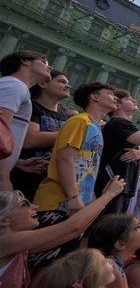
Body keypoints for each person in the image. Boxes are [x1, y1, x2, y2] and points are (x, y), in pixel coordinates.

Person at [0, 177, 124, 288]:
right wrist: (109, 195)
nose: (34, 206)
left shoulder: (20, 248)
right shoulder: (4, 243)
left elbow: (73, 232)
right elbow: (72, 227)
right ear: (3, 220)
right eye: (24, 204)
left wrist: (103, 201)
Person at [31, 82, 117, 266]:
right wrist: (73, 195)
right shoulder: (80, 121)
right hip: (57, 203)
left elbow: (89, 168)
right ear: (95, 97)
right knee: (43, 266)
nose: (115, 98)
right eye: (110, 94)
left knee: (60, 266)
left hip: (76, 205)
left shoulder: (95, 127)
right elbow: (65, 159)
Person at [10, 69, 72, 200]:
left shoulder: (65, 115)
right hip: (22, 178)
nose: (68, 86)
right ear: (43, 84)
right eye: (62, 81)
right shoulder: (31, 107)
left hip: (49, 185)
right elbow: (29, 140)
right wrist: (71, 134)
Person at [0, 50, 52, 191]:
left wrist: (17, 163)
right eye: (43, 62)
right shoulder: (15, 86)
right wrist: (4, 178)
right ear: (25, 61)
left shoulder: (15, 87)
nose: (50, 67)